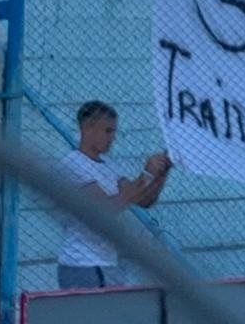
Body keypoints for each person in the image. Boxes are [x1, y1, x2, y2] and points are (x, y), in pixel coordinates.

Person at [57, 99, 172, 289]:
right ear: (87, 129)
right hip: (82, 264)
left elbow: (143, 199)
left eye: (114, 131)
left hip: (109, 263)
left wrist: (161, 173)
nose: (112, 138)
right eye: (107, 131)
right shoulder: (73, 164)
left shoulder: (109, 166)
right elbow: (105, 209)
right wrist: (146, 173)